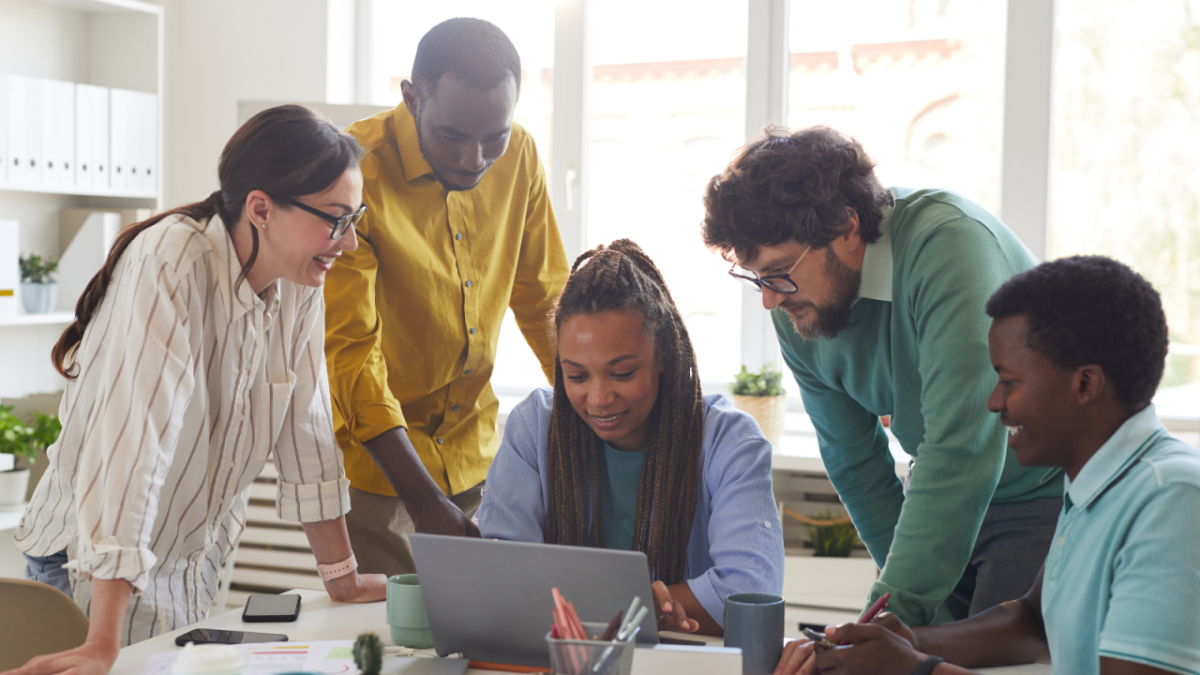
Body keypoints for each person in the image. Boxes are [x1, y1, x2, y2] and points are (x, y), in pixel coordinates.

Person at [7, 105, 386, 675]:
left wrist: (344, 580)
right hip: (89, 572)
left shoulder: (299, 280)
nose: (350, 241)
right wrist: (101, 642)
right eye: (335, 220)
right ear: (261, 208)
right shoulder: (171, 263)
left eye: (354, 217)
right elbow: (132, 449)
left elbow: (306, 432)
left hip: (183, 572)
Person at [702, 126, 1063, 626]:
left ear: (848, 229)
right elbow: (854, 461)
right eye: (757, 278)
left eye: (781, 271)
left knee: (984, 664)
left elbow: (961, 446)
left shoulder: (949, 246)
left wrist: (891, 620)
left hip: (1037, 493)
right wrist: (894, 617)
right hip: (938, 493)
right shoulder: (792, 304)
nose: (769, 298)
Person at [774, 255, 1200, 675]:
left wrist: (918, 669)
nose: (994, 402)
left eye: (1009, 382)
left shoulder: (1171, 498)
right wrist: (910, 640)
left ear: (1085, 384)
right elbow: (1034, 621)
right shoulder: (1099, 483)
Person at [324, 17, 569, 577]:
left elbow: (545, 301)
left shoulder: (522, 155)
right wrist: (421, 497)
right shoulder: (352, 169)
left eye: (494, 137)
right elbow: (351, 351)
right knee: (391, 648)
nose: (473, 159)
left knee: (486, 644)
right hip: (380, 471)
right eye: (453, 136)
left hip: (479, 458)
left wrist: (597, 413)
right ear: (411, 97)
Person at [477, 240, 784, 636]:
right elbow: (498, 576)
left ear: (663, 358)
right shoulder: (535, 428)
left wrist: (618, 608)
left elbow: (749, 594)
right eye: (576, 376)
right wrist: (647, 606)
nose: (599, 398)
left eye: (621, 373)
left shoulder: (729, 442)